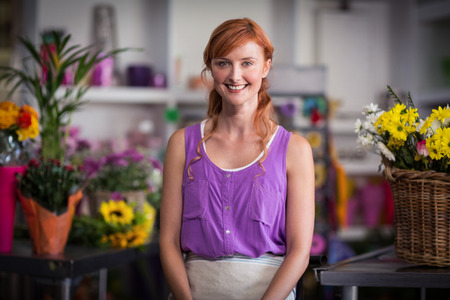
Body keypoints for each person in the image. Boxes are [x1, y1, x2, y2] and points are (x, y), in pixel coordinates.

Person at [159, 17, 315, 300]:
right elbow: (168, 242)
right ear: (211, 68)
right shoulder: (181, 144)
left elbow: (300, 252)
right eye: (223, 63)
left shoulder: (296, 149)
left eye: (247, 63)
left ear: (266, 66)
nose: (234, 75)